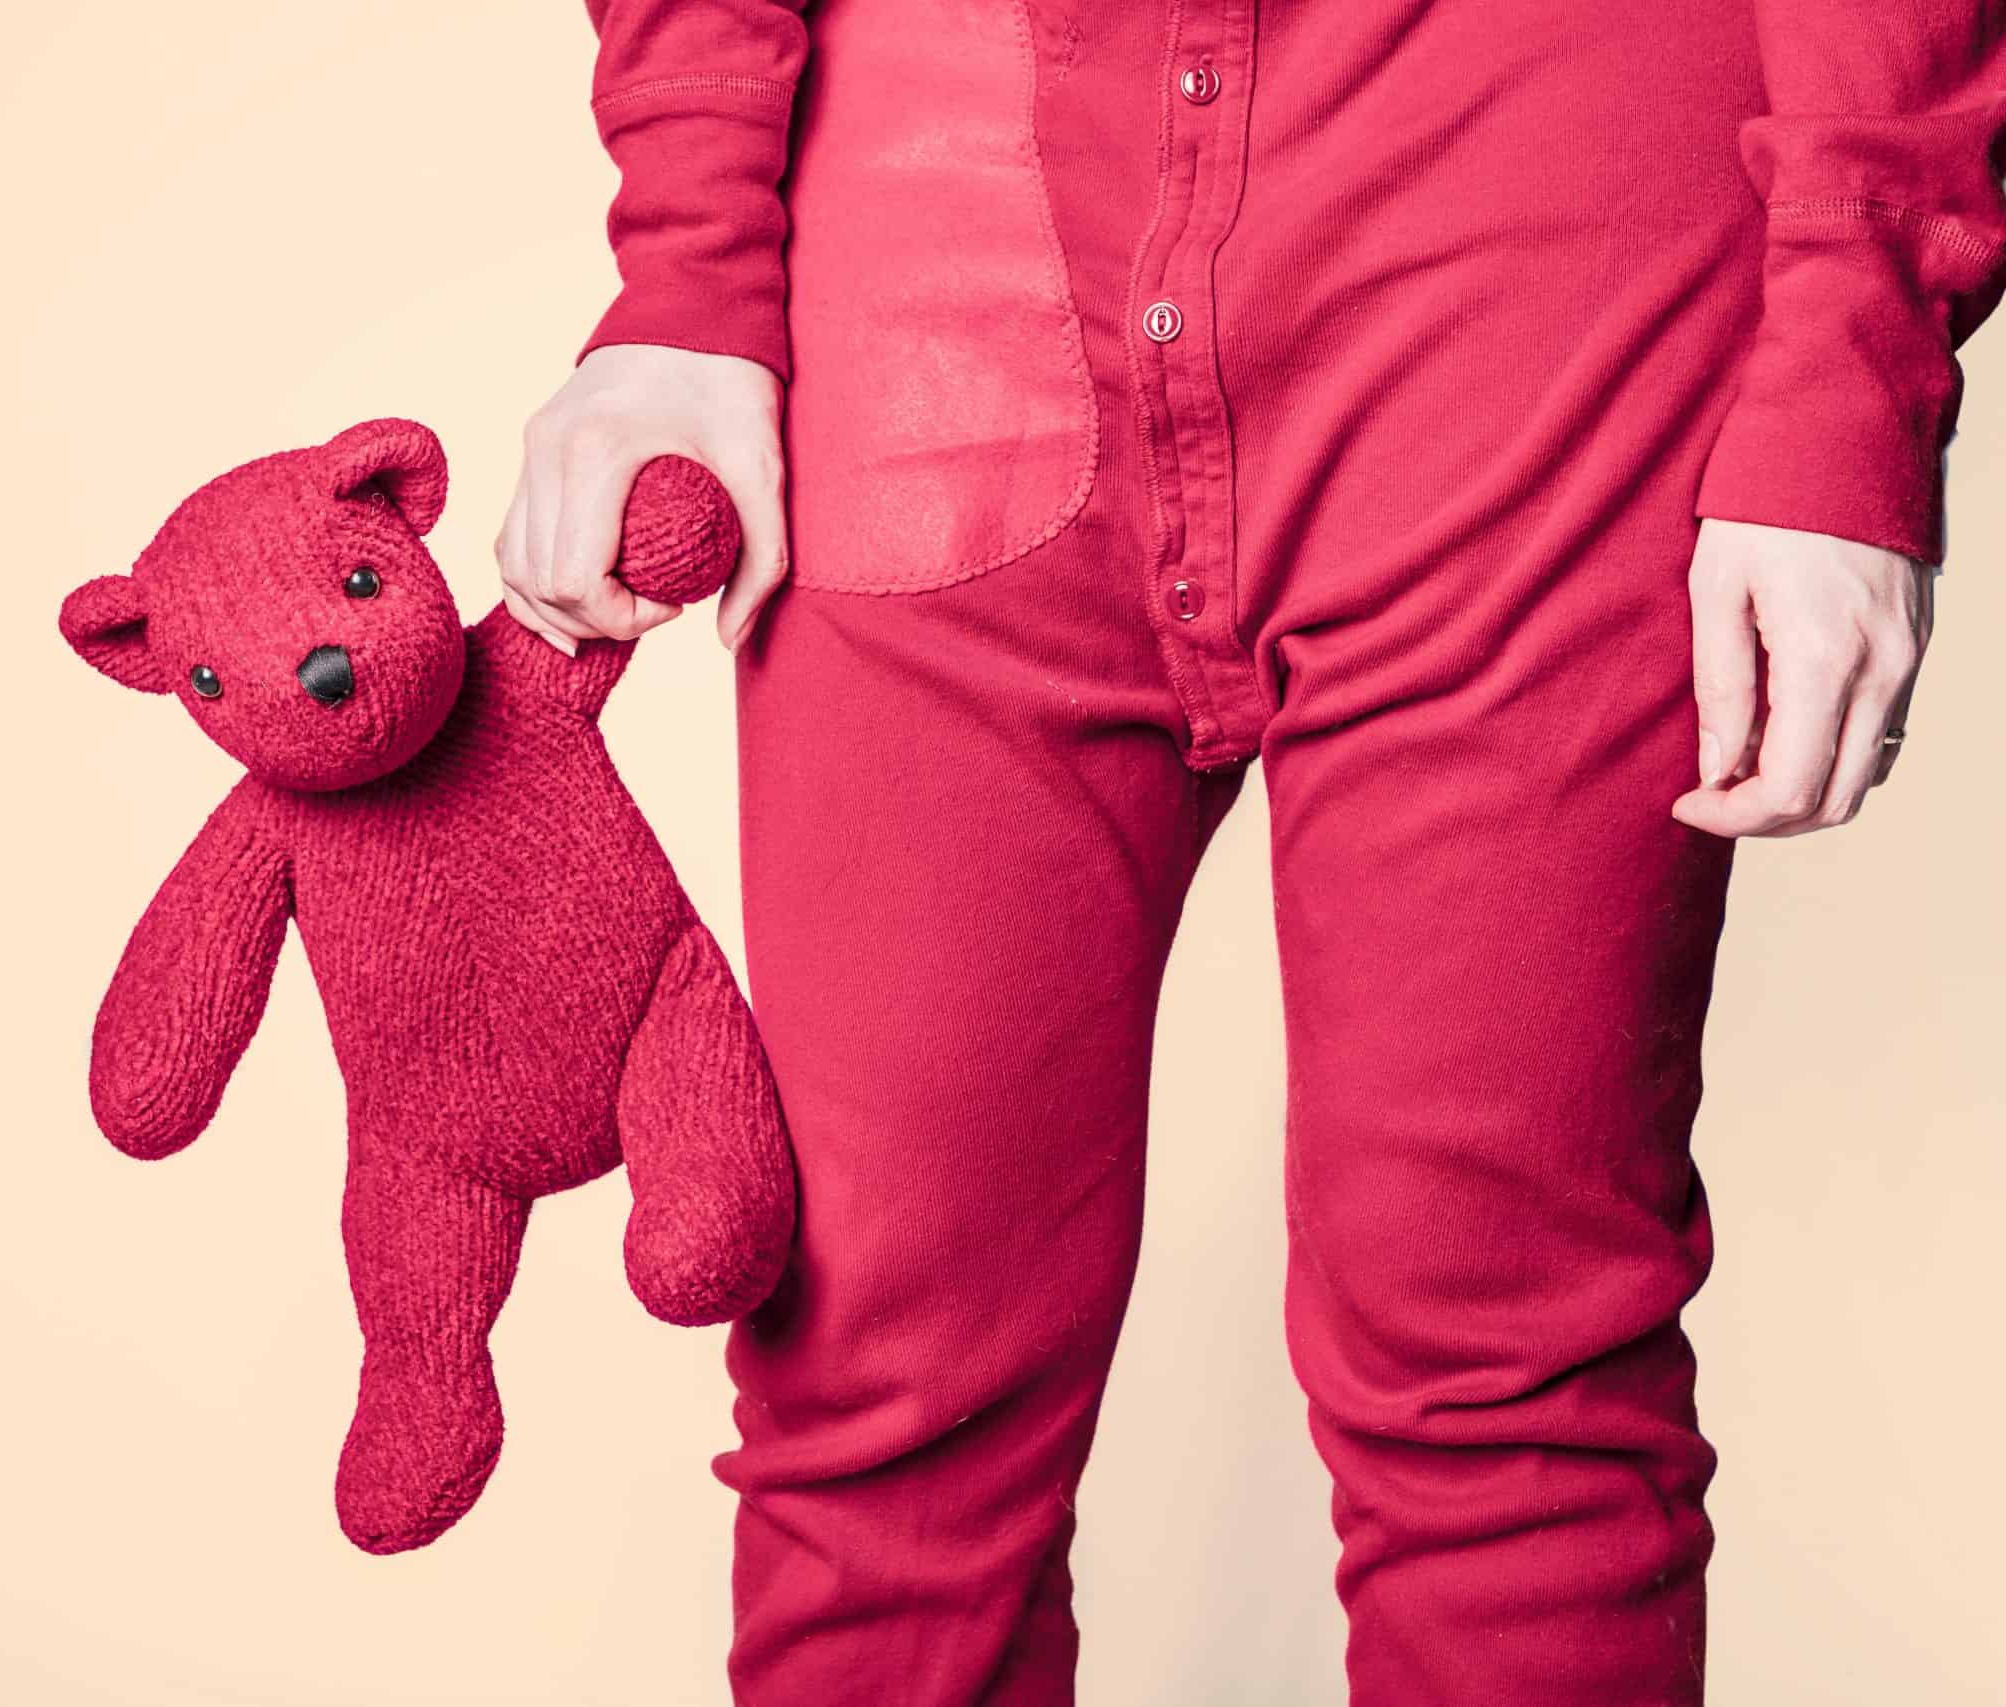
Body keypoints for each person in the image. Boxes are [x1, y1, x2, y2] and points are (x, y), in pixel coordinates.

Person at [497, 3, 2003, 1702]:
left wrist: (1850, 353)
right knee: (878, 1409)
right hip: (946, 211)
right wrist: (690, 259)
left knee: (1510, 1391)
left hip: (1539, 217)